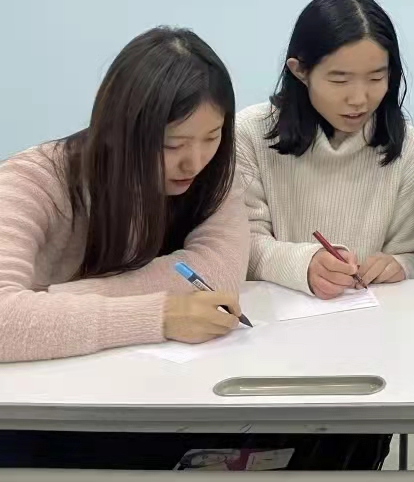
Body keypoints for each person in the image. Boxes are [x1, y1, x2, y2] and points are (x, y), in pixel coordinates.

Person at [0, 27, 249, 467]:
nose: (194, 161)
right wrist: (159, 315)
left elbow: (219, 271)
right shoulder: (34, 181)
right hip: (43, 410)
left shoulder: (215, 175)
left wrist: (56, 300)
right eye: (172, 144)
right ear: (118, 131)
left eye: (212, 137)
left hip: (157, 394)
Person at [239, 0, 414, 299]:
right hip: (275, 317)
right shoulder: (250, 133)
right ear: (300, 71)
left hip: (374, 317)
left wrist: (401, 265)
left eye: (376, 78)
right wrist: (304, 265)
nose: (359, 99)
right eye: (340, 80)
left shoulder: (407, 148)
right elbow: (242, 245)